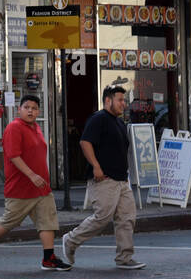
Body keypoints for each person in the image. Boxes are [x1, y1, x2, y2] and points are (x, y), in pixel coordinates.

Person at [0, 95, 71, 271]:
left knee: (47, 220)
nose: (30, 111)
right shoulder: (14, 128)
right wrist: (32, 175)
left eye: (34, 108)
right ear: (19, 109)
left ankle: (48, 258)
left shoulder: (36, 128)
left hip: (41, 187)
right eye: (26, 107)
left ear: (38, 111)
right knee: (10, 221)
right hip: (21, 187)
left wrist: (40, 177)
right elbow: (13, 156)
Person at [61, 84, 145, 269]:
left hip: (122, 180)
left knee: (127, 218)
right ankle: (71, 240)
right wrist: (96, 166)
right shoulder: (98, 118)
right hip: (104, 179)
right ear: (108, 101)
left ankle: (124, 258)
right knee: (102, 218)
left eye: (124, 100)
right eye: (120, 100)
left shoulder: (120, 123)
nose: (124, 104)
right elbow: (85, 142)